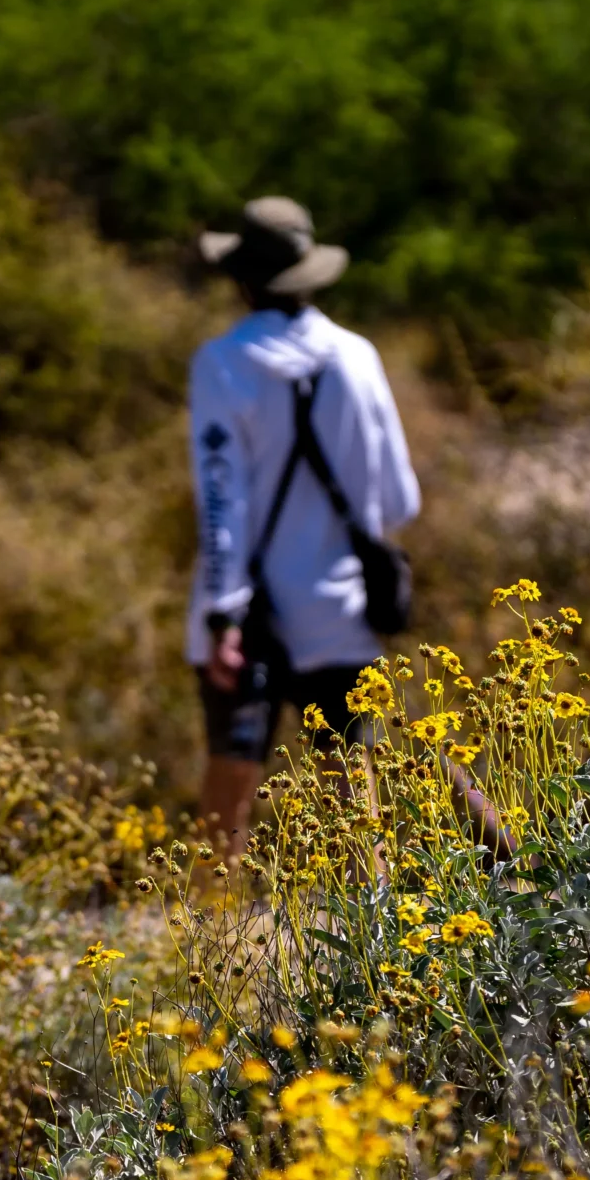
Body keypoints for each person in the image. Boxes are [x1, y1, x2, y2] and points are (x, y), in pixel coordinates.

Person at [186, 197, 504, 858]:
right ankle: (378, 941)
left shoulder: (221, 363)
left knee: (232, 788)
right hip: (340, 609)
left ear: (243, 279)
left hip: (252, 616)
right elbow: (398, 501)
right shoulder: (358, 357)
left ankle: (209, 946)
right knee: (351, 788)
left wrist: (222, 618)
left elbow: (223, 503)